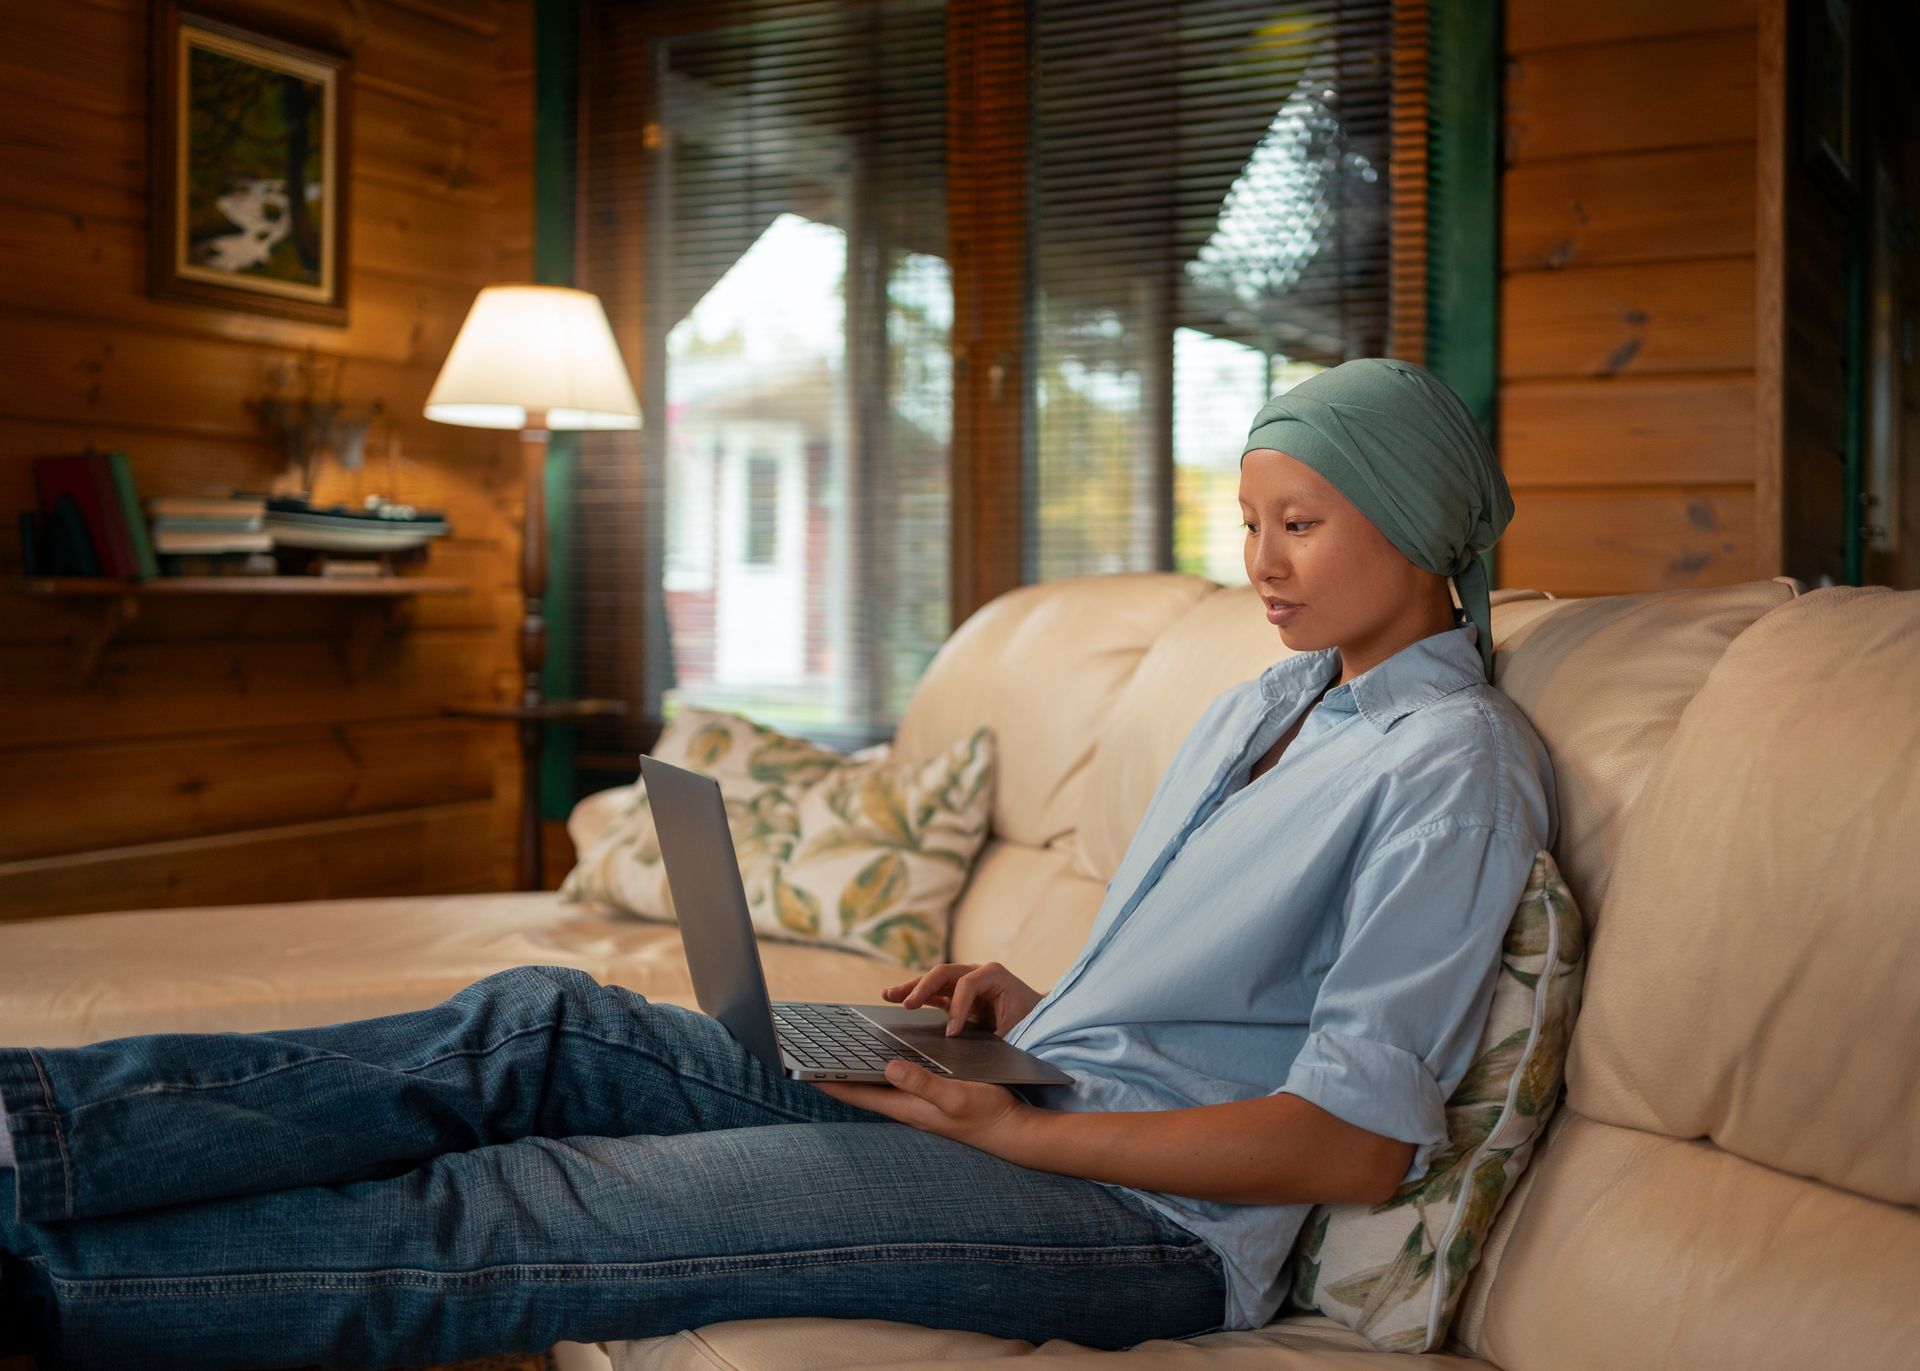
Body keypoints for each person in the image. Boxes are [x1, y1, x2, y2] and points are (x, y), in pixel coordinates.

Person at [0, 358, 1555, 1369]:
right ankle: (28, 1141)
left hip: (1144, 1230)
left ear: (1417, 525)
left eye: (1300, 524)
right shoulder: (1267, 703)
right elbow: (1202, 998)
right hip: (1046, 1097)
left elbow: (1352, 1146)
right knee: (546, 1022)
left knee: (520, 1206)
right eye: (1250, 522)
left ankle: (44, 1302)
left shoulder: (1452, 766)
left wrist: (1025, 1144)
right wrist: (1027, 1008)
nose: (1260, 565)